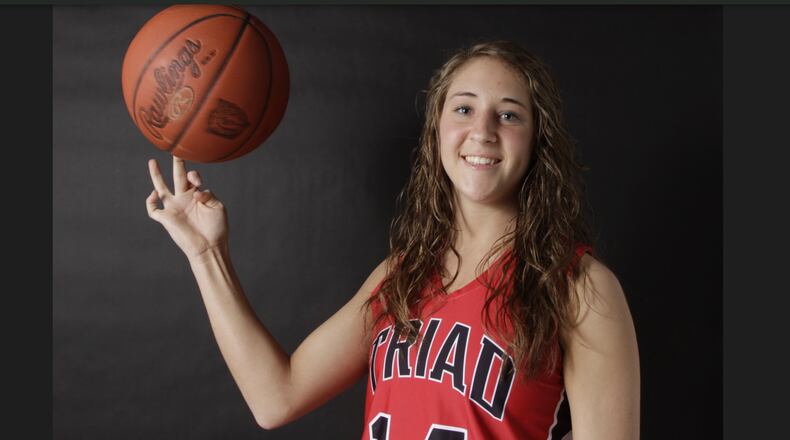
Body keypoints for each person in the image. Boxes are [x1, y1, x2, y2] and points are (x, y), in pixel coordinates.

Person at [145, 40, 640, 439]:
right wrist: (207, 252)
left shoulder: (580, 289)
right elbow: (276, 398)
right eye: (464, 109)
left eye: (509, 115)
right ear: (438, 130)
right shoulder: (401, 275)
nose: (483, 131)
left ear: (537, 141)